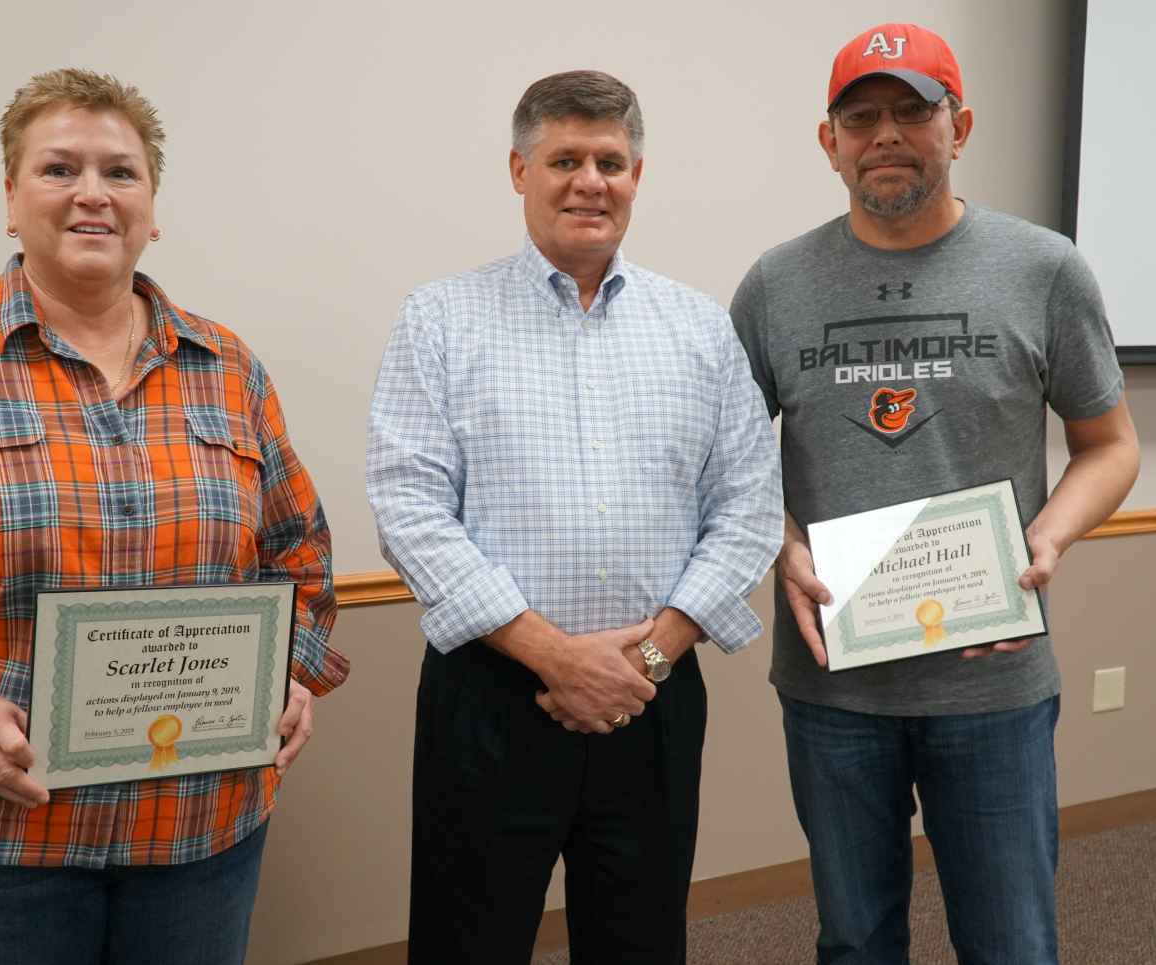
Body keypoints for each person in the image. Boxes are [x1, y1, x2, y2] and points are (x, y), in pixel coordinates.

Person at [0, 69, 346, 965]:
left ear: (153, 207)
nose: (93, 193)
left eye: (120, 172)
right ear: (10, 200)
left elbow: (298, 554)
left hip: (196, 836)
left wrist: (286, 673)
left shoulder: (230, 367)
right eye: (59, 168)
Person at [729, 24, 1140, 964]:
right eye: (860, 115)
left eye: (913, 110)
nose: (886, 134)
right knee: (855, 939)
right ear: (827, 142)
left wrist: (1047, 538)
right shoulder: (775, 284)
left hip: (992, 682)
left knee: (1011, 942)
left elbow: (1110, 446)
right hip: (832, 686)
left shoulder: (1045, 268)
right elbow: (724, 463)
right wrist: (780, 541)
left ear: (960, 125)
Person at [366, 70, 783, 964]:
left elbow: (750, 505)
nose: (589, 180)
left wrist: (647, 655)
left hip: (653, 697)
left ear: (637, 175)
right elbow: (409, 507)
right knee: (466, 940)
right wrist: (557, 656)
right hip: (493, 694)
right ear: (519, 170)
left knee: (640, 940)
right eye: (564, 159)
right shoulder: (440, 319)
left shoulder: (700, 328)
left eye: (611, 160)